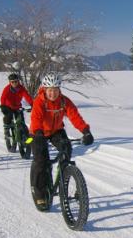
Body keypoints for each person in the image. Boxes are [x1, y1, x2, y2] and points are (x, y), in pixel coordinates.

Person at [29, 73, 94, 211]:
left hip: (56, 131)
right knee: (41, 161)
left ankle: (65, 175)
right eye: (50, 90)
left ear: (59, 90)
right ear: (45, 90)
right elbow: (36, 119)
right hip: (39, 132)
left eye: (56, 90)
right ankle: (40, 194)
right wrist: (38, 133)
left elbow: (74, 116)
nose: (53, 93)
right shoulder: (39, 101)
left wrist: (85, 131)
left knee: (67, 149)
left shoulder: (64, 101)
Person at [0, 72, 34, 150]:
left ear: (18, 81)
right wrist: (3, 106)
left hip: (17, 107)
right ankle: (7, 131)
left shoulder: (21, 88)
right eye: (12, 82)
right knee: (8, 118)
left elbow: (27, 96)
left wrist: (32, 105)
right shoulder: (7, 89)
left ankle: (24, 137)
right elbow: (3, 98)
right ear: (10, 82)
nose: (14, 83)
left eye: (16, 81)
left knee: (21, 122)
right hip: (8, 107)